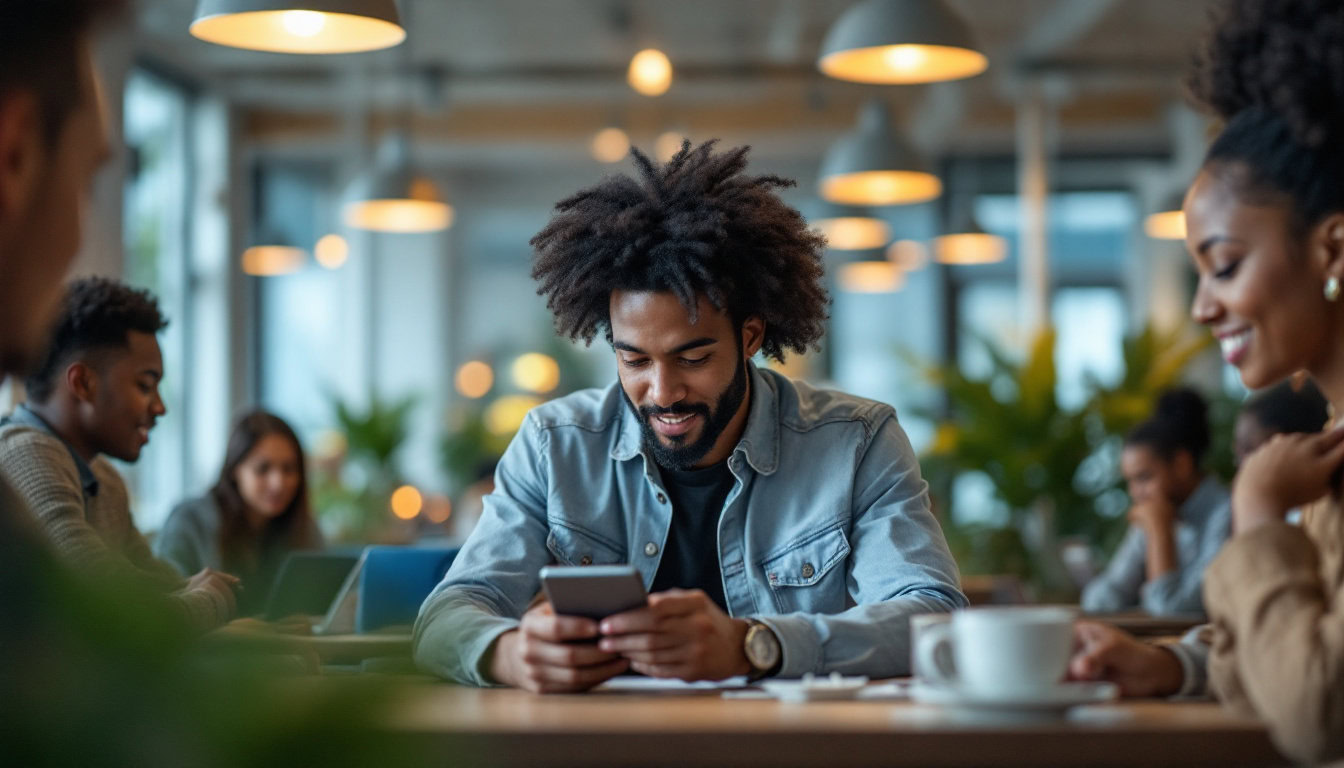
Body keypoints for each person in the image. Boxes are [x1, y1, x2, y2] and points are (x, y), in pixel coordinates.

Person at [413, 141, 966, 692]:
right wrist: (508, 655)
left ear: (749, 337)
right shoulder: (554, 446)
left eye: (693, 358)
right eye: (634, 360)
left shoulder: (855, 444)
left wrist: (754, 644)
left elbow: (933, 618)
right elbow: (448, 614)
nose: (662, 392)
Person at [1072, 1, 1344, 761]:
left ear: (1333, 249)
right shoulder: (1327, 450)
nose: (1201, 306)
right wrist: (1167, 664)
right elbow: (1288, 641)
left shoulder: (1285, 480)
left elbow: (1317, 709)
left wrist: (1257, 513)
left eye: (1224, 265)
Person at [0, 277, 237, 631]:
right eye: (145, 385)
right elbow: (116, 620)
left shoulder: (104, 478)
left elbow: (155, 587)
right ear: (82, 383)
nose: (159, 407)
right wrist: (212, 600)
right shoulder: (26, 453)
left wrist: (231, 616)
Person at [156, 409, 323, 616]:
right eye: (263, 469)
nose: (278, 483)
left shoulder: (304, 527)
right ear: (235, 470)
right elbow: (165, 605)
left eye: (289, 469)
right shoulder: (190, 519)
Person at [1081, 388, 1230, 616]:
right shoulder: (1156, 512)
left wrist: (1160, 532)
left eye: (1144, 478)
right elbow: (1099, 600)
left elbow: (1173, 612)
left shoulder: (1226, 513)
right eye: (1129, 481)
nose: (1135, 493)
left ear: (1182, 464)